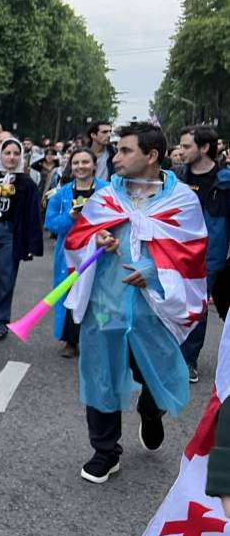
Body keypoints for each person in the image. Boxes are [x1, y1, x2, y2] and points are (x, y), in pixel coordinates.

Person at [63, 123, 207, 484]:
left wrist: (153, 273)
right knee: (101, 373)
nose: (116, 157)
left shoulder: (182, 201)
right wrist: (97, 239)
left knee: (156, 371)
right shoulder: (105, 197)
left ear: (152, 155)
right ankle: (105, 451)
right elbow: (78, 237)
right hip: (105, 304)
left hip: (153, 311)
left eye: (126, 150)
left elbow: (190, 256)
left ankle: (151, 407)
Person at [175, 124, 230, 384]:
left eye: (186, 146)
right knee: (168, 301)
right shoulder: (175, 178)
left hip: (209, 258)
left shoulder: (226, 182)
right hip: (172, 252)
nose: (180, 150)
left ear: (204, 148)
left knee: (197, 309)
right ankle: (165, 353)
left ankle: (188, 359)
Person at [0, 137, 43, 340]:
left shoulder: (26, 183)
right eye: (7, 153)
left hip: (11, 235)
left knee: (5, 281)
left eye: (16, 153)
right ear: (0, 155)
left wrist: (32, 244)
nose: (11, 157)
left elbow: (33, 215)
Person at [44, 148, 108, 357]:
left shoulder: (107, 191)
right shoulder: (60, 194)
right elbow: (51, 224)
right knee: (71, 294)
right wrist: (70, 217)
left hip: (99, 252)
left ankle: (100, 338)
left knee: (98, 295)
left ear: (94, 165)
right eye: (76, 163)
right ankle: (71, 341)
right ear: (71, 166)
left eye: (85, 162)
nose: (81, 167)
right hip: (69, 255)